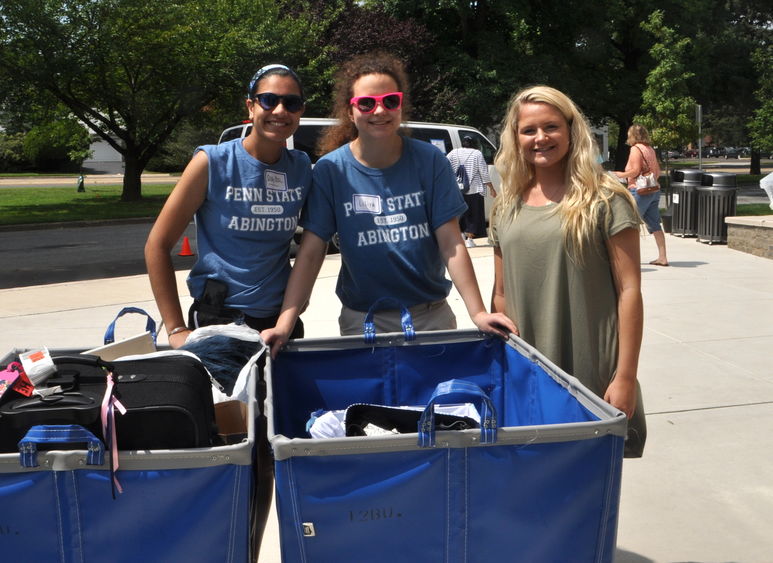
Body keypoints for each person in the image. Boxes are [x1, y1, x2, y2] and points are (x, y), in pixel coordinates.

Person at [144, 63, 312, 557]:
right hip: (219, 332)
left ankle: (259, 548)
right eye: (269, 100)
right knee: (230, 454)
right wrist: (175, 329)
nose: (280, 110)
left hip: (277, 332)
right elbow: (158, 245)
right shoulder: (212, 162)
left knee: (276, 454)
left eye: (292, 103)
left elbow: (314, 245)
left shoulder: (303, 169)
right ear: (250, 106)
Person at [261, 52, 515, 357]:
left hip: (431, 317)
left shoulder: (429, 160)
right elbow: (312, 251)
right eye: (367, 103)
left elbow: (451, 243)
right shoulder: (331, 170)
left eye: (390, 101)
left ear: (401, 105)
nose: (379, 110)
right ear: (350, 110)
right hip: (362, 320)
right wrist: (285, 323)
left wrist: (477, 313)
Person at [490, 85, 646, 457]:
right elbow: (501, 293)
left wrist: (624, 377)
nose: (540, 138)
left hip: (591, 373)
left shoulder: (605, 198)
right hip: (528, 377)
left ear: (572, 131)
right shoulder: (504, 206)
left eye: (551, 127)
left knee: (590, 494)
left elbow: (630, 291)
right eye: (529, 130)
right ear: (516, 137)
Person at [615, 124, 669, 267]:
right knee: (655, 224)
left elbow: (635, 171)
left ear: (631, 135)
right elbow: (657, 171)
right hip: (653, 190)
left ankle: (630, 259)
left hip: (639, 191)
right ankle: (662, 257)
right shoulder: (650, 149)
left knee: (630, 223)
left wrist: (619, 175)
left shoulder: (635, 149)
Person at [446, 135, 495, 247]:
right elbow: (483, 172)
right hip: (474, 189)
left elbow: (444, 164)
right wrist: (491, 188)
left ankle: (462, 236)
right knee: (474, 215)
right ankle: (469, 239)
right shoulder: (477, 153)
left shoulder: (454, 152)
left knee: (461, 214)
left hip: (458, 189)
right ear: (473, 144)